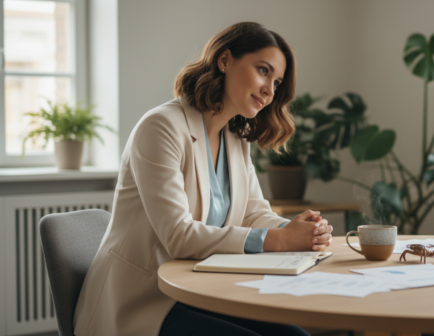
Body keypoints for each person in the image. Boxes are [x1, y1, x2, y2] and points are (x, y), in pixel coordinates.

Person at [72, 22, 332, 336]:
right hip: (144, 300)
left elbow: (253, 213)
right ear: (224, 60)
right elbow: (178, 236)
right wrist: (281, 240)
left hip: (200, 290)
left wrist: (295, 230)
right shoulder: (161, 127)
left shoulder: (236, 139)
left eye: (276, 82)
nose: (270, 90)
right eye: (263, 70)